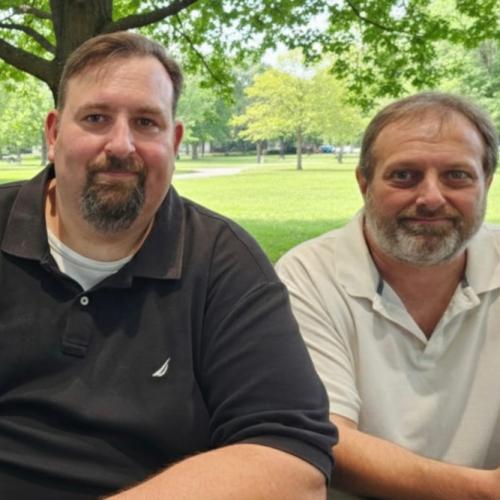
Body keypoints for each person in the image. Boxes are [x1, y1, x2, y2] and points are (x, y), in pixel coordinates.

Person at [0, 32, 337, 499]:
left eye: (146, 122)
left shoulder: (223, 263)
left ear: (174, 140)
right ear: (54, 134)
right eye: (96, 118)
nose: (121, 145)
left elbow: (292, 456)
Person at [276, 92, 500, 499]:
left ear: (487, 182)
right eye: (404, 176)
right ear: (364, 184)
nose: (431, 198)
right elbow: (327, 438)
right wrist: (485, 490)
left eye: (457, 176)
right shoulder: (308, 276)